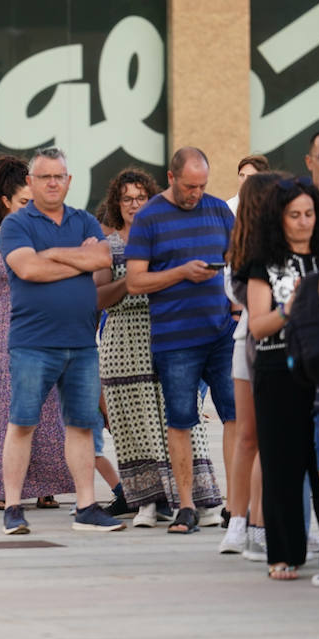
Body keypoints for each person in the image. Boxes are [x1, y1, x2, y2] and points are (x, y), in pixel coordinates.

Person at [0, 146, 121, 535]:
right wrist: (75, 260)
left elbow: (104, 259)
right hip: (33, 342)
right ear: (30, 183)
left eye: (59, 176)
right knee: (22, 423)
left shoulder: (84, 220)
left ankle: (86, 506)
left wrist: (53, 254)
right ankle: (13, 507)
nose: (53, 182)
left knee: (82, 425)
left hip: (83, 342)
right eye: (45, 176)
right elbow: (28, 269)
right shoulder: (18, 224)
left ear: (69, 181)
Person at [97, 167, 222, 528]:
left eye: (140, 198)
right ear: (116, 204)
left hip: (167, 334)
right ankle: (148, 504)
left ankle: (203, 502)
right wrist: (131, 283)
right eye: (126, 199)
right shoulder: (110, 244)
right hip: (122, 340)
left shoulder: (164, 237)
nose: (134, 205)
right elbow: (98, 298)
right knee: (132, 426)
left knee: (180, 419)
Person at [125, 147, 237, 535]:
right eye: (190, 186)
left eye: (203, 185)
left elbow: (236, 260)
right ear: (171, 178)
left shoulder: (219, 209)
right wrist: (180, 273)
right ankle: (186, 506)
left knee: (235, 416)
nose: (196, 193)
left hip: (221, 331)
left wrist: (237, 304)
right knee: (180, 421)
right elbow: (136, 280)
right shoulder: (150, 218)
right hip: (175, 340)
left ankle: (235, 506)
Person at [246, 177, 319, 580]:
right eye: (294, 215)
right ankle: (283, 553)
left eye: (309, 214)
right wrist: (291, 306)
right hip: (277, 367)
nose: (303, 222)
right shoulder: (263, 262)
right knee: (282, 465)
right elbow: (258, 326)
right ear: (278, 218)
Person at [0, 153, 74, 509]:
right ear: (5, 202)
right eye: (24, 202)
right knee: (8, 410)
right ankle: (8, 491)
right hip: (6, 334)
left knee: (48, 410)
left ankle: (46, 487)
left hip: (46, 329)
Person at [218, 171, 285, 557]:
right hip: (250, 342)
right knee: (247, 436)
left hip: (288, 344)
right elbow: (236, 293)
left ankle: (262, 522)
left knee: (275, 440)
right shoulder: (242, 249)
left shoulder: (295, 245)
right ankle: (238, 520)